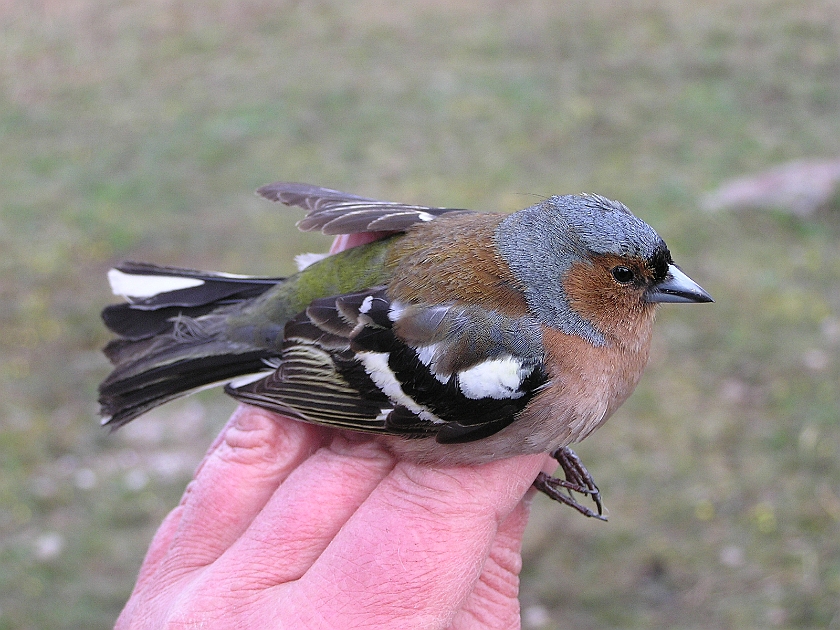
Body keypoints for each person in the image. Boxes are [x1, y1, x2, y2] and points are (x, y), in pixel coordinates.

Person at [114, 233, 554, 629]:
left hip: (406, 273)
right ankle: (200, 331)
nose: (628, 295)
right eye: (625, 276)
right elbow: (374, 387)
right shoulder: (532, 354)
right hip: (362, 338)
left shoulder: (517, 247)